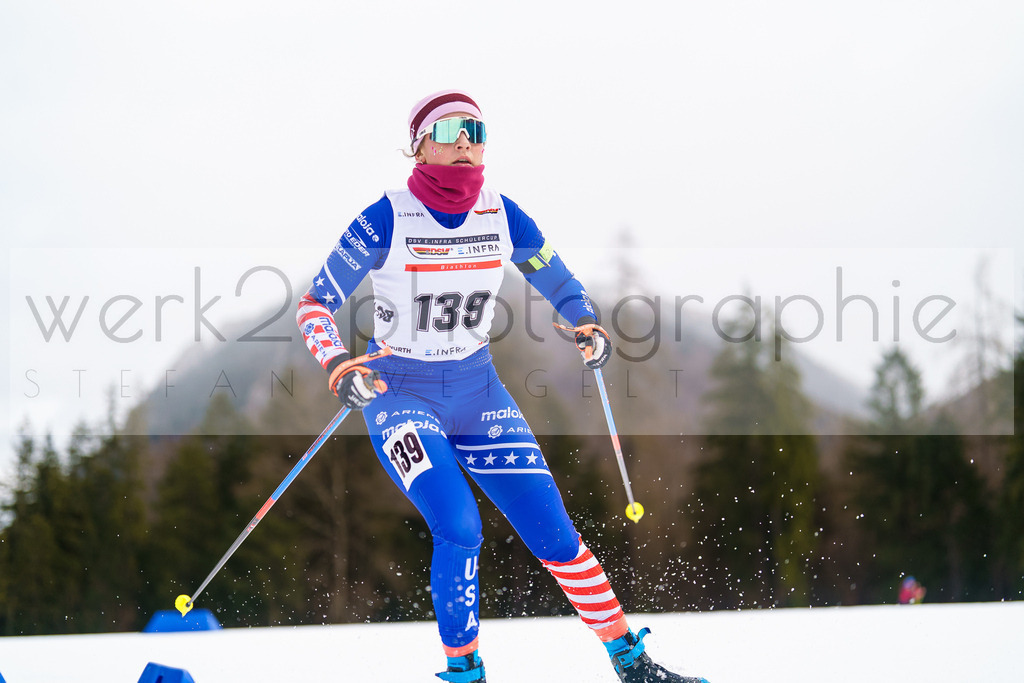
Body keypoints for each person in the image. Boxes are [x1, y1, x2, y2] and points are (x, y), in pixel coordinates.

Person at [297, 89, 708, 683]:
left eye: (475, 129)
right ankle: (464, 671)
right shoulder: (383, 217)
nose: (464, 140)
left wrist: (584, 322)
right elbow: (316, 305)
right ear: (418, 146)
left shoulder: (502, 213)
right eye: (447, 129)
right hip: (401, 394)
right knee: (459, 527)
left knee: (556, 533)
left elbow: (558, 280)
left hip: (478, 391)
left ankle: (631, 661)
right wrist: (339, 364)